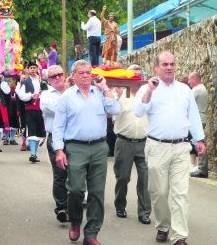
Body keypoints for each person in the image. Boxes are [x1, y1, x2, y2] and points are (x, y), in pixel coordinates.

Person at [134, 51, 206, 245]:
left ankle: (179, 235)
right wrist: (149, 91)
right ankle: (163, 226)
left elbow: (193, 116)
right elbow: (138, 112)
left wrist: (199, 139)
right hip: (157, 147)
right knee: (158, 192)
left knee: (180, 193)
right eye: (164, 64)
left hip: (181, 147)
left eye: (172, 64)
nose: (169, 67)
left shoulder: (184, 90)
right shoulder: (147, 88)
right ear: (156, 67)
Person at [52, 60, 120, 245]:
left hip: (99, 147)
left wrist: (105, 88)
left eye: (88, 72)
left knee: (97, 192)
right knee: (75, 189)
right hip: (75, 147)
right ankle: (75, 221)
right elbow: (58, 127)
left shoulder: (100, 93)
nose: (85, 75)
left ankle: (91, 234)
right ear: (73, 76)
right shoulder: (66, 97)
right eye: (81, 73)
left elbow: (115, 109)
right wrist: (59, 151)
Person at [113, 64, 151, 224]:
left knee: (145, 179)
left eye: (138, 75)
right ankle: (120, 204)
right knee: (123, 177)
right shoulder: (121, 93)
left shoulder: (148, 94)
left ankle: (144, 212)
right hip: (124, 142)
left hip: (144, 142)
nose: (136, 78)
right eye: (132, 76)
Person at [40, 65, 69, 223]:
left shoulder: (73, 91)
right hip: (55, 138)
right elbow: (57, 109)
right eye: (53, 76)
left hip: (73, 138)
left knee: (76, 173)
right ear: (49, 80)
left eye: (60, 74)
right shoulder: (46, 95)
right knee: (60, 174)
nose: (57, 78)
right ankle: (62, 208)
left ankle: (75, 203)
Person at [17, 61, 46, 163]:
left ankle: (35, 153)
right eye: (31, 68)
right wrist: (31, 95)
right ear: (28, 70)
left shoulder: (43, 81)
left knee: (39, 132)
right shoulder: (25, 82)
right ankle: (33, 154)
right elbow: (21, 95)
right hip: (30, 109)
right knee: (32, 130)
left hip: (42, 109)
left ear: (37, 69)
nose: (33, 70)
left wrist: (42, 94)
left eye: (35, 68)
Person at [187, 72, 209, 178]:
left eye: (189, 79)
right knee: (196, 143)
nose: (188, 82)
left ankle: (201, 169)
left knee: (198, 143)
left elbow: (186, 101)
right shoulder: (202, 88)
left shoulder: (197, 89)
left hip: (198, 120)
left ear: (195, 79)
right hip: (201, 118)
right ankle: (199, 167)